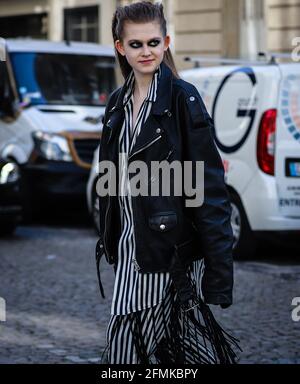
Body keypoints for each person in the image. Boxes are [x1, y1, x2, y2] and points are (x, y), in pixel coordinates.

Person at [95, 1, 241, 364]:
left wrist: (219, 274)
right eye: (136, 44)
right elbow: (110, 182)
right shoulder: (117, 104)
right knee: (159, 354)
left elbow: (208, 187)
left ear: (166, 42)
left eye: (153, 42)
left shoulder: (182, 98)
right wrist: (109, 234)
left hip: (166, 253)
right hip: (129, 251)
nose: (146, 51)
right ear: (119, 47)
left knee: (124, 356)